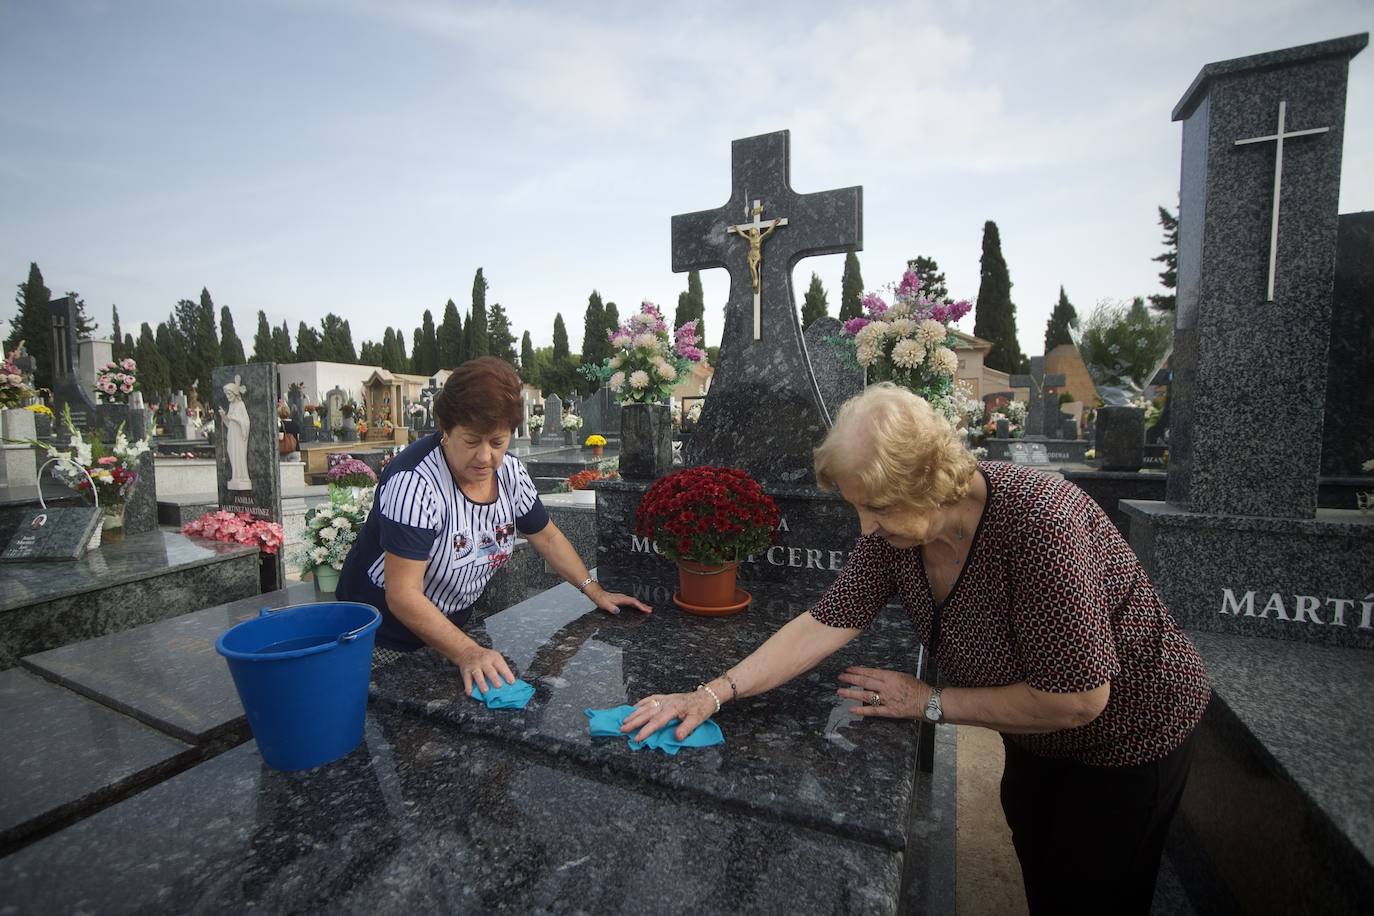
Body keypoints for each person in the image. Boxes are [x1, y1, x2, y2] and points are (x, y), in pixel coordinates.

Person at [623, 383, 1210, 916]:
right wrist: (710, 694)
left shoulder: (1040, 523)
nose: (865, 528)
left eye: (877, 509)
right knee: (1042, 856)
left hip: (1130, 738)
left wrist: (929, 702)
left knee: (1094, 888)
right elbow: (825, 621)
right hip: (1036, 736)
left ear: (932, 481)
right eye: (858, 507)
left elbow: (1077, 699)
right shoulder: (899, 530)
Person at [338, 357, 650, 693]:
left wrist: (594, 589)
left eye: (497, 443)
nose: (485, 457)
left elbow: (547, 537)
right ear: (446, 430)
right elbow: (403, 593)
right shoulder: (414, 483)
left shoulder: (510, 474)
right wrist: (467, 651)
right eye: (472, 441)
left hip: (455, 626)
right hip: (384, 641)